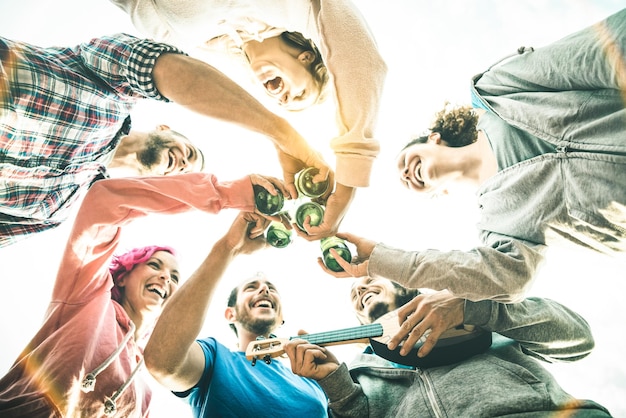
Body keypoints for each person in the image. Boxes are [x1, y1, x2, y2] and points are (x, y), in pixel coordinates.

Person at [320, 8, 626, 303]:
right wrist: (384, 260)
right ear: (440, 193)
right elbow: (507, 280)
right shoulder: (499, 223)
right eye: (405, 181)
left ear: (434, 138)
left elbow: (590, 56)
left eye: (403, 161)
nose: (404, 173)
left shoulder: (494, 95)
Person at [0, 32, 328, 247]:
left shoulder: (60, 209)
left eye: (186, 174)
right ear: (164, 129)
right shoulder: (112, 90)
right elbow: (168, 71)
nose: (184, 164)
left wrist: (233, 195)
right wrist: (281, 134)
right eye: (189, 152)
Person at [0, 170, 286, 417]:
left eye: (175, 277)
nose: (165, 277)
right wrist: (226, 193)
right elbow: (105, 201)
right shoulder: (87, 297)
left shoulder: (145, 392)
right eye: (154, 265)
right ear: (123, 276)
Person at [110, 0, 388, 239]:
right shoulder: (296, 9)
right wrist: (350, 176)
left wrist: (279, 135)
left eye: (285, 104)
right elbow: (358, 58)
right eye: (301, 92)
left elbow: (138, 8)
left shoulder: (203, 46)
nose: (285, 100)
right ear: (307, 57)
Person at [284, 276, 612, 417]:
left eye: (368, 280)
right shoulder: (359, 371)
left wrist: (477, 309)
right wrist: (335, 384)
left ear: (403, 288)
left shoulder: (475, 315)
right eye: (354, 294)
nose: (360, 289)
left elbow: (578, 338)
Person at [143, 264, 329, 413]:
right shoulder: (215, 359)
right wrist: (228, 247)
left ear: (281, 317)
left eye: (271, 288)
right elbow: (162, 361)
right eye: (251, 287)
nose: (265, 289)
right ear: (230, 314)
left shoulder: (314, 381)